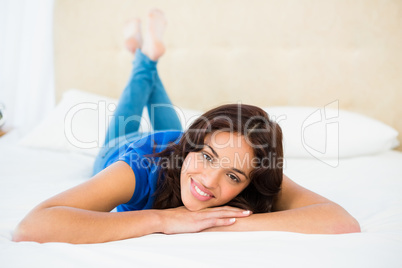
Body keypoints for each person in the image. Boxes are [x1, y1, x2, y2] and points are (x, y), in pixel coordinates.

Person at [12, 9, 360, 244]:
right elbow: (31, 227)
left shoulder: (251, 161)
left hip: (179, 149)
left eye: (234, 177)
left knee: (180, 137)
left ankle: (144, 53)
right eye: (208, 156)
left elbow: (342, 222)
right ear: (193, 145)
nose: (210, 182)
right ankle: (144, 58)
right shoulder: (137, 170)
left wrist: (226, 222)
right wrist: (162, 220)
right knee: (130, 111)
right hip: (130, 146)